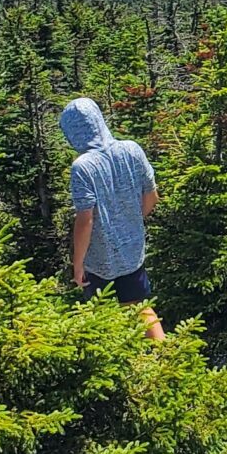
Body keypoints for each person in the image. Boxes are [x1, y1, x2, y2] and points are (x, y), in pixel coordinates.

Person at [60, 96, 164, 339]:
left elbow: (85, 220)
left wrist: (78, 264)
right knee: (140, 307)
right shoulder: (131, 149)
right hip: (132, 250)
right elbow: (152, 195)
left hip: (98, 258)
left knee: (101, 317)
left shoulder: (83, 167)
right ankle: (168, 360)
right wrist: (132, 224)